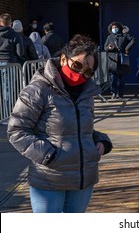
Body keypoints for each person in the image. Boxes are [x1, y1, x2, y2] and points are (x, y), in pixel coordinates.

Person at [7, 34, 113, 213]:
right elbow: (17, 131)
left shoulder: (87, 93)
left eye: (87, 72)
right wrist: (48, 155)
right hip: (49, 179)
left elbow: (80, 128)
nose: (80, 74)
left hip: (82, 179)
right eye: (77, 65)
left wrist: (101, 141)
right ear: (63, 59)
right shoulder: (38, 90)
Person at [104, 21, 136, 99]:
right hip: (112, 60)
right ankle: (114, 92)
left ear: (119, 28)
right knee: (113, 78)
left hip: (122, 59)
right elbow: (105, 47)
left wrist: (127, 49)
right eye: (113, 28)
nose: (114, 29)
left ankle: (120, 94)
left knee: (121, 79)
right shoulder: (109, 37)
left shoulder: (124, 35)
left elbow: (133, 40)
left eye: (116, 27)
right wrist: (109, 48)